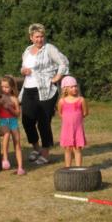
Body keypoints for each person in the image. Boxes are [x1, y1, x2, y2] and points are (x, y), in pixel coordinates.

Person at [20, 23, 70, 165]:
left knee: (43, 122)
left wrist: (57, 78)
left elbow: (64, 62)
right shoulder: (27, 50)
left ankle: (46, 153)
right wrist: (23, 71)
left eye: (42, 36)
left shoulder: (49, 49)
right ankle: (36, 148)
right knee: (27, 121)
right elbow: (24, 67)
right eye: (36, 37)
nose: (39, 39)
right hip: (28, 89)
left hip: (46, 91)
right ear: (31, 37)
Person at [0, 75, 24, 174]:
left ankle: (20, 167)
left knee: (17, 143)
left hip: (13, 121)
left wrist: (10, 108)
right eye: (2, 87)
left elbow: (18, 114)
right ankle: (5, 158)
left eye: (6, 87)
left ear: (12, 87)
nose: (4, 89)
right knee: (6, 134)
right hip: (3, 121)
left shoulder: (14, 99)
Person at [57, 76, 88, 167]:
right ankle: (68, 168)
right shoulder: (62, 101)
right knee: (67, 149)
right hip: (67, 130)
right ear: (65, 89)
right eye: (71, 87)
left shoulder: (81, 100)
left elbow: (85, 112)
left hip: (78, 129)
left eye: (75, 86)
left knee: (77, 149)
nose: (74, 88)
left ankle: (79, 168)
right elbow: (60, 113)